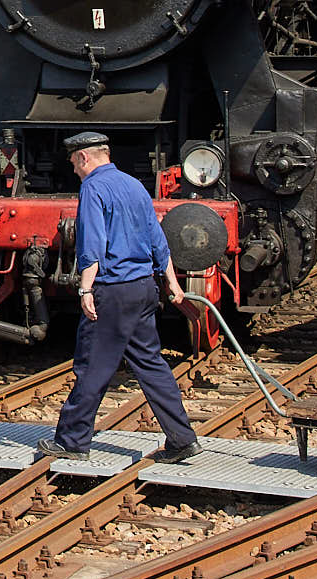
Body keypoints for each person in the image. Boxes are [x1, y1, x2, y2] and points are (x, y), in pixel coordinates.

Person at [40, 131, 200, 464]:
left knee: (92, 366)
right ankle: (183, 439)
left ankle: (72, 441)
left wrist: (85, 288)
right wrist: (172, 283)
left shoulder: (93, 187)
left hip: (112, 290)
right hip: (143, 288)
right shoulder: (134, 185)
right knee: (151, 364)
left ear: (84, 158)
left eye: (73, 163)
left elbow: (92, 244)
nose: (73, 170)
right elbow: (158, 239)